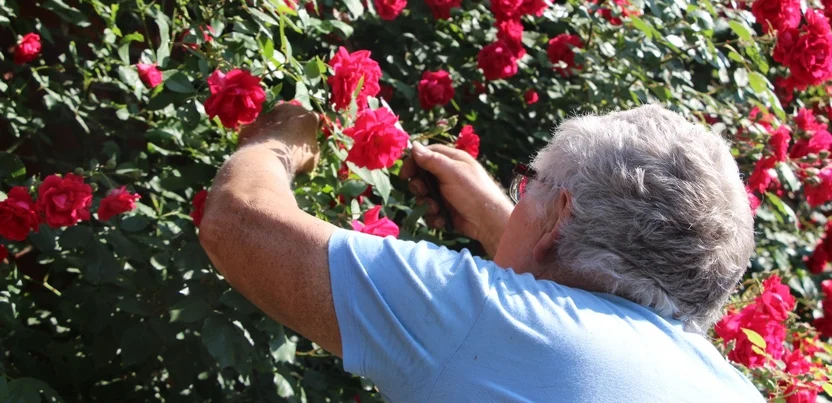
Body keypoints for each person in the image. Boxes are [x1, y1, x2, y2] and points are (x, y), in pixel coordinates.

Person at [199, 103, 764, 402]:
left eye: (528, 183)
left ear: (561, 216)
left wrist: (277, 140)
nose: (515, 199)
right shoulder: (731, 388)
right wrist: (511, 221)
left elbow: (239, 222)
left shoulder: (493, 321)